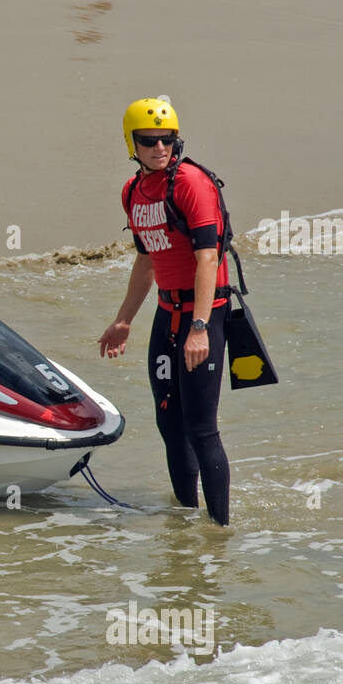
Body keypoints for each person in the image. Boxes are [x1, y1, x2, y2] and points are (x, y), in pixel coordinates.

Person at [97, 98, 232, 525]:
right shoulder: (133, 192)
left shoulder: (190, 183)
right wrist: (124, 320)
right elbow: (146, 261)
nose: (159, 147)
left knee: (201, 427)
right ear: (130, 142)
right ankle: (187, 523)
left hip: (203, 316)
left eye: (167, 139)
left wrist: (200, 327)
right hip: (166, 314)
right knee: (169, 423)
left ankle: (219, 533)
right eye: (148, 140)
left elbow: (207, 258)